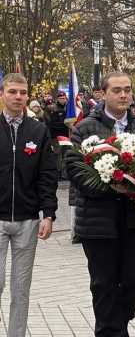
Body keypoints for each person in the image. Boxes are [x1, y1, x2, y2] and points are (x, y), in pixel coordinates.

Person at [66, 71, 135, 337]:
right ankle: (109, 331)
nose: (124, 95)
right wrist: (110, 185)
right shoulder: (85, 128)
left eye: (127, 89)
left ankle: (116, 325)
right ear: (103, 94)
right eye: (117, 90)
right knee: (103, 283)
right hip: (98, 220)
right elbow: (76, 171)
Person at [0, 73, 58, 337]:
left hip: (27, 220)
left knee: (21, 288)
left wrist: (49, 213)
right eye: (12, 92)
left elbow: (47, 175)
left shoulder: (38, 130)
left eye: (22, 92)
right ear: (2, 94)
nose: (18, 97)